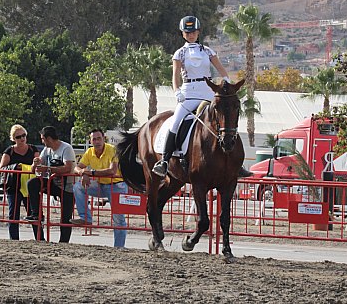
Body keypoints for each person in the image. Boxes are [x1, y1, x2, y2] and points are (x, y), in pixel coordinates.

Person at [152, 15, 253, 178]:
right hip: (188, 92)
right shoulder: (180, 53)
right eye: (187, 32)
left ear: (198, 32)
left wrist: (227, 82)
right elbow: (175, 75)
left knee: (225, 120)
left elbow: (221, 69)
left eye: (193, 32)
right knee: (176, 122)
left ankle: (236, 164)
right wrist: (177, 90)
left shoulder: (207, 51)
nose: (191, 35)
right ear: (183, 34)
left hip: (208, 91)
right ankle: (164, 161)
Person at [71, 129, 128, 248]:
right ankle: (85, 217)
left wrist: (89, 173)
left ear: (104, 139)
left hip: (117, 186)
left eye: (99, 138)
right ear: (90, 141)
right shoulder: (89, 151)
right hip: (101, 185)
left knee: (118, 219)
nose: (97, 141)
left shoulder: (113, 150)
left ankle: (119, 248)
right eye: (94, 139)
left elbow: (112, 171)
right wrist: (82, 173)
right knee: (78, 187)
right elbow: (77, 167)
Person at [25, 126, 75, 242]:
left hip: (67, 187)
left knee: (65, 218)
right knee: (32, 183)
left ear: (49, 139)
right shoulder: (47, 150)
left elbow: (68, 168)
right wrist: (35, 163)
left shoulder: (66, 148)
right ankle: (36, 214)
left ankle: (64, 243)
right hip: (52, 183)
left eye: (43, 139)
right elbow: (35, 168)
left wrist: (48, 169)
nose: (42, 141)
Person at [0, 124, 40, 240]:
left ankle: (40, 238)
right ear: (13, 139)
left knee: (34, 213)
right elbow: (1, 168)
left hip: (30, 187)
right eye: (18, 137)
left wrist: (37, 163)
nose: (22, 138)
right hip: (13, 186)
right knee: (13, 215)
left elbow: (39, 166)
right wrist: (15, 167)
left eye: (24, 135)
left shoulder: (33, 149)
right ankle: (14, 240)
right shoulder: (9, 151)